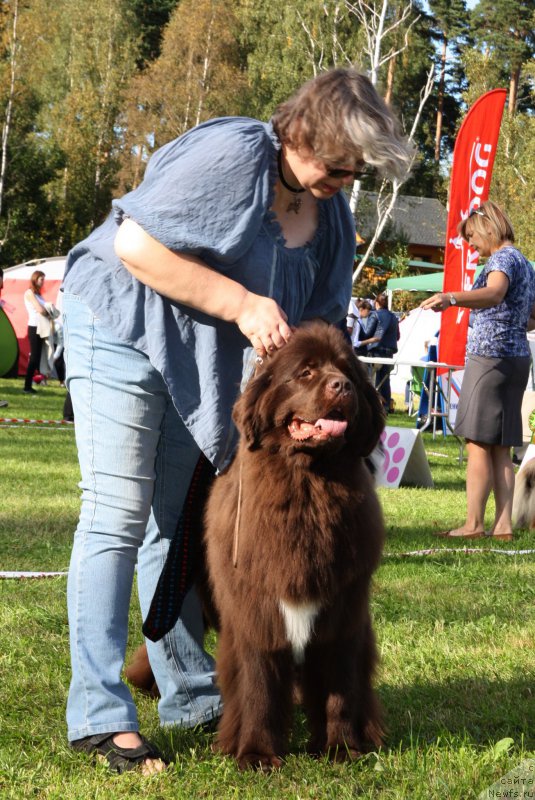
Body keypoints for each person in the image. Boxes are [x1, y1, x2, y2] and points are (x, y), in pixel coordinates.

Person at [62, 67, 412, 775]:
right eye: (339, 159)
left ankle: (193, 696)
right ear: (303, 130)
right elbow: (133, 245)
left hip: (193, 357)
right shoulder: (230, 156)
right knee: (116, 515)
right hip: (120, 326)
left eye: (356, 166)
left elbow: (322, 323)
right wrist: (240, 303)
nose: (347, 174)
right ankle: (100, 716)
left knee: (174, 523)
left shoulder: (331, 212)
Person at [421, 200, 535, 541]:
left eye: (472, 237)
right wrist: (511, 323)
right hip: (516, 357)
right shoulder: (526, 264)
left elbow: (496, 292)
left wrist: (452, 298)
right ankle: (503, 527)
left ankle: (473, 524)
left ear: (488, 228)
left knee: (478, 444)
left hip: (490, 358)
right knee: (502, 446)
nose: (471, 245)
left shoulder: (501, 259)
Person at [359, 293, 399, 412]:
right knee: (385, 379)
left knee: (373, 378)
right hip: (389, 351)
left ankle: (373, 404)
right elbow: (397, 336)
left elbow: (367, 333)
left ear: (376, 303)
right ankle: (386, 406)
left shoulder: (374, 314)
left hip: (376, 350)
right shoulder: (393, 317)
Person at [23, 270, 50, 395]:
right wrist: (48, 310)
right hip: (34, 327)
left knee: (37, 357)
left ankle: (31, 384)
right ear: (35, 279)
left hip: (41, 327)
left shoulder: (38, 294)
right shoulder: (29, 293)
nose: (43, 282)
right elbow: (40, 310)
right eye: (41, 279)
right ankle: (27, 386)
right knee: (34, 358)